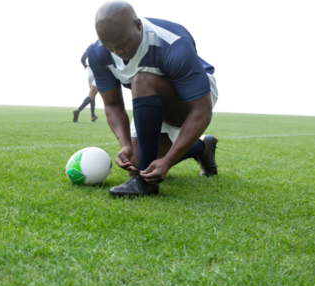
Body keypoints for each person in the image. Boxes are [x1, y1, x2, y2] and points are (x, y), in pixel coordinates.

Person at [90, 0, 220, 197]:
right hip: (151, 99)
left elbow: (201, 112)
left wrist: (168, 162)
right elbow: (113, 103)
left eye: (122, 45)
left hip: (197, 96)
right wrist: (126, 145)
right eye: (110, 47)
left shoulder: (173, 44)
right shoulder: (98, 51)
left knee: (142, 80)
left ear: (138, 26)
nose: (117, 52)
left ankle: (144, 184)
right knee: (138, 163)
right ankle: (202, 148)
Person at [73, 38, 101, 122]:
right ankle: (78, 110)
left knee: (94, 95)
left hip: (88, 72)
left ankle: (93, 116)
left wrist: (84, 65)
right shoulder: (101, 47)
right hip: (96, 72)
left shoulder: (89, 46)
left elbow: (82, 57)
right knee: (91, 94)